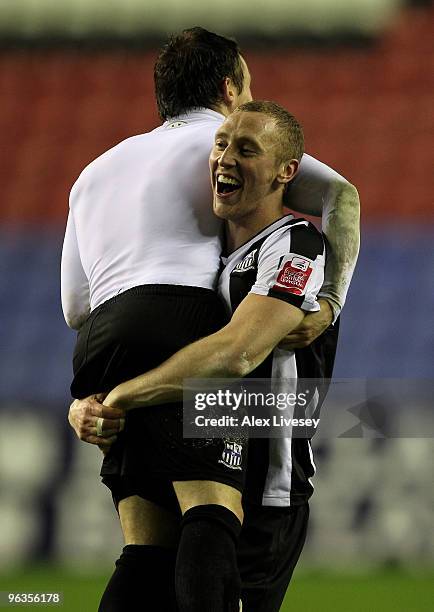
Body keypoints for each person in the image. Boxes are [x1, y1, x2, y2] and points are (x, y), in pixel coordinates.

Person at [63, 28, 359, 611]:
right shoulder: (224, 137)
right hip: (185, 326)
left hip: (100, 339)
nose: (225, 158)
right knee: (211, 511)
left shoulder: (95, 170)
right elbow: (342, 196)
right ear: (230, 87)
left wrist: (104, 393)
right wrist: (331, 303)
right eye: (248, 86)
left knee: (145, 547)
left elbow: (75, 306)